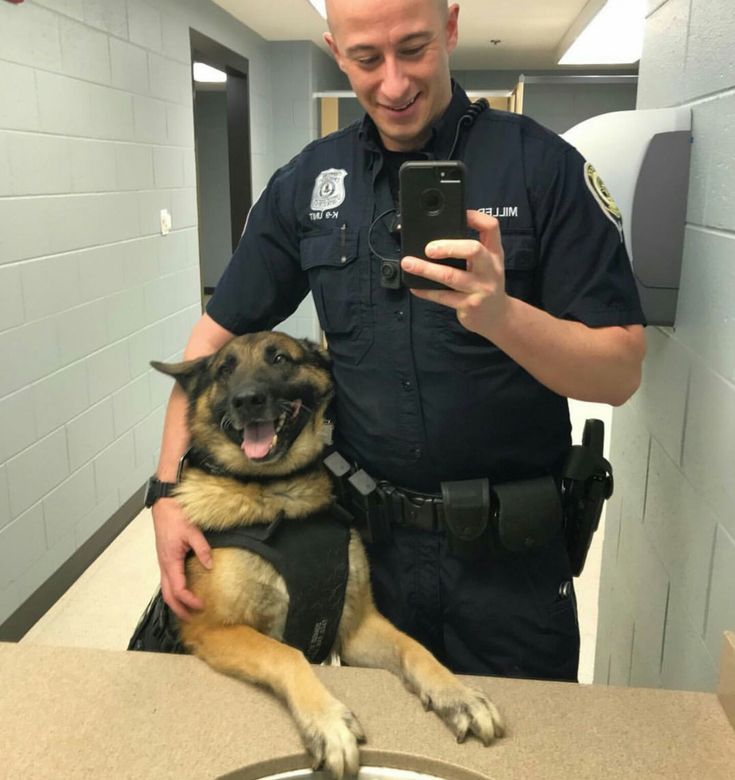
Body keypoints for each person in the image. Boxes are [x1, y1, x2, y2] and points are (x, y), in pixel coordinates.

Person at [149, 0, 646, 682]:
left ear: (449, 28)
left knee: (518, 749)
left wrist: (500, 314)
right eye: (364, 59)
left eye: (412, 48)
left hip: (511, 564)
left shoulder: (542, 167)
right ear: (333, 48)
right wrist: (166, 495)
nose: (392, 84)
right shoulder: (307, 184)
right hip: (362, 555)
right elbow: (210, 346)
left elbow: (618, 372)